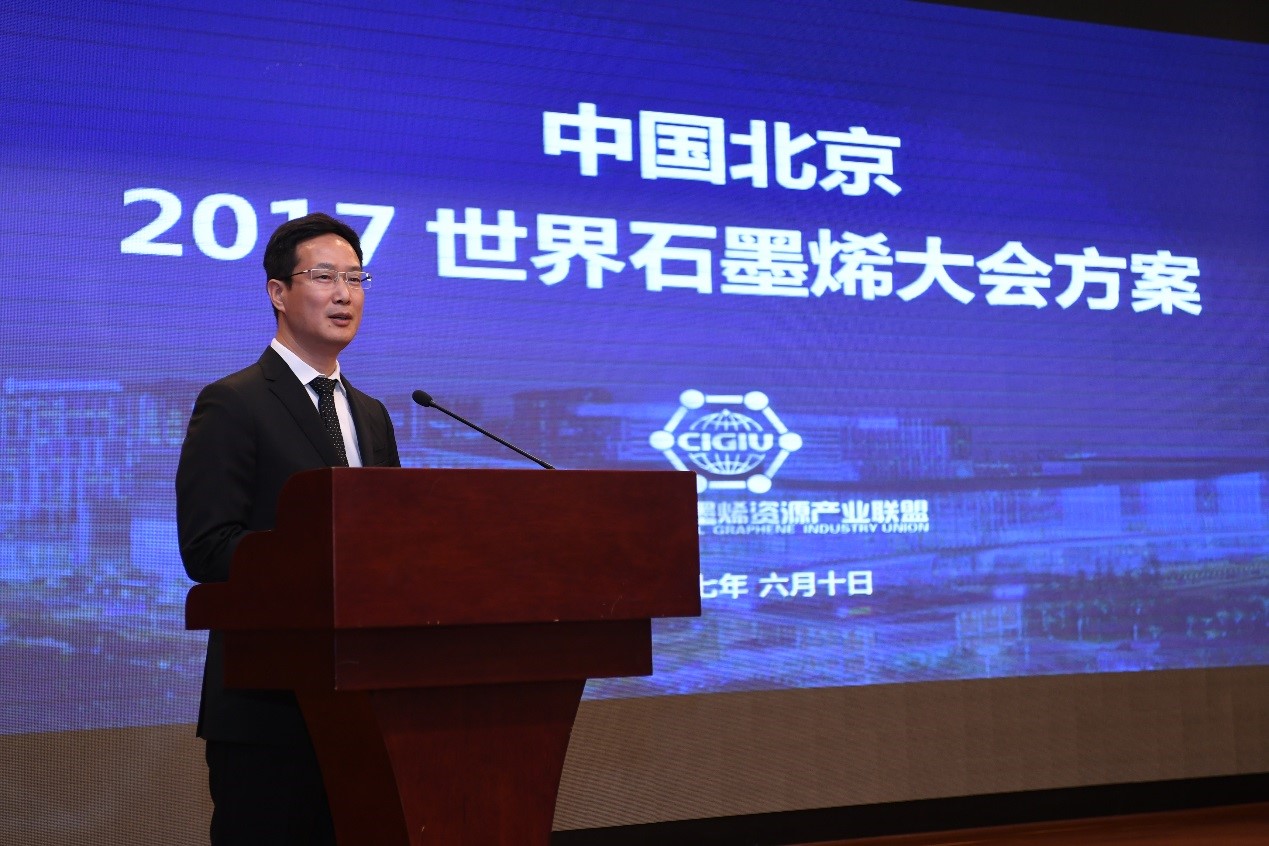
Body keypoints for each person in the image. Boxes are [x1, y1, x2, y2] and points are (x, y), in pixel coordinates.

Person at [176, 212, 400, 845]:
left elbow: (392, 544)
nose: (344, 294)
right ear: (278, 292)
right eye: (324, 277)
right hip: (268, 710)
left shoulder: (373, 415)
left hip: (365, 704)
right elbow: (208, 547)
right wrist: (323, 558)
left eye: (355, 278)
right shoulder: (233, 402)